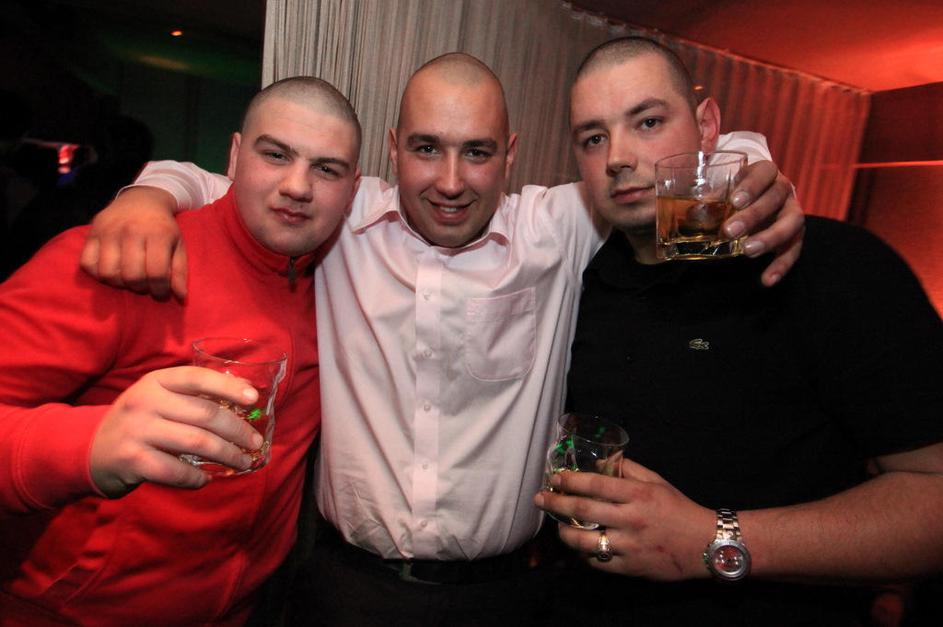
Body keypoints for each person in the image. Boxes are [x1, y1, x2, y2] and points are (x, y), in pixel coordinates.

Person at [76, 53, 803, 624]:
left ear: (510, 154)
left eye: (477, 152)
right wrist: (148, 195)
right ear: (393, 149)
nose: (451, 182)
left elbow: (675, 165)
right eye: (427, 148)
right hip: (344, 589)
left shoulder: (557, 226)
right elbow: (219, 181)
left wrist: (750, 166)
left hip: (509, 597)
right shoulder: (340, 214)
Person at [535, 36, 943, 626]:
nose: (618, 156)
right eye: (593, 138)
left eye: (648, 122)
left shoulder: (834, 269)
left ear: (707, 128)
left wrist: (713, 539)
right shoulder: (579, 280)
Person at [0, 77, 361, 625]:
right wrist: (88, 445)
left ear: (353, 188)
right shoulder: (131, 257)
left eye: (326, 169)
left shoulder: (340, 285)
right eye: (275, 155)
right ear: (235, 156)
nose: (297, 186)